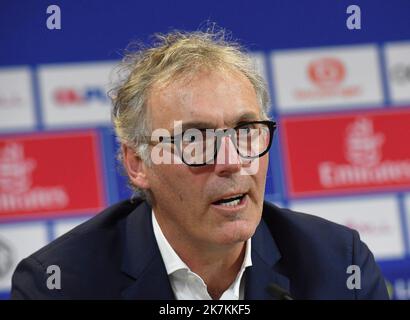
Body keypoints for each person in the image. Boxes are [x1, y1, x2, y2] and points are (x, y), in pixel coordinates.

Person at [11, 29, 388, 300]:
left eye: (245, 130)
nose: (232, 161)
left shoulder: (338, 265)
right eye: (195, 140)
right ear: (138, 163)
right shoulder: (58, 285)